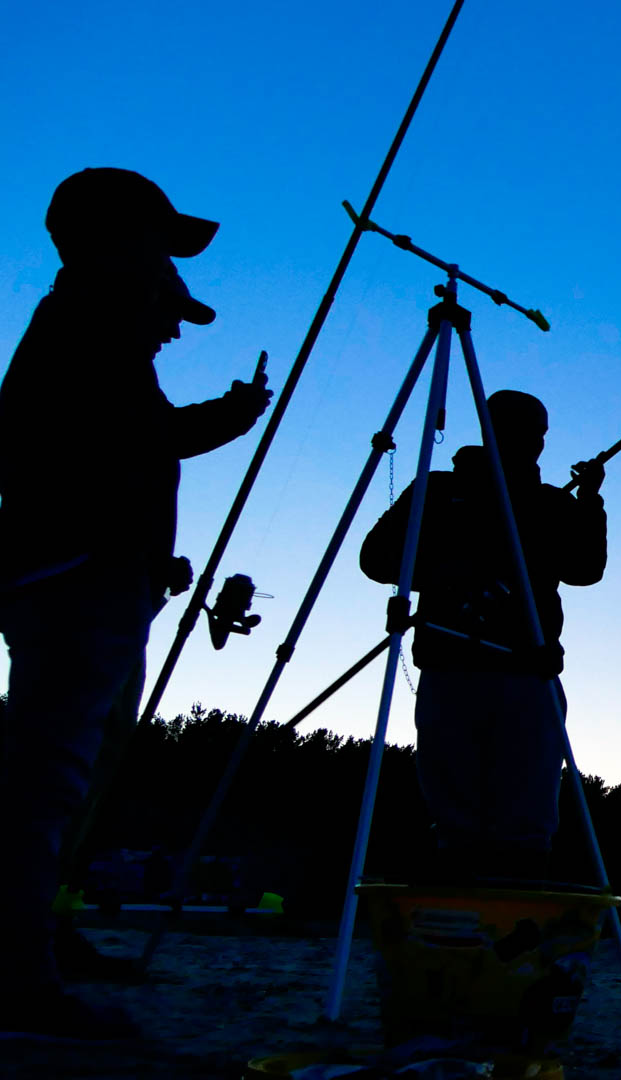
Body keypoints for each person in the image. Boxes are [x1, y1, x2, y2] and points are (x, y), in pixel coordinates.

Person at [0, 167, 272, 1037]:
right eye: (168, 277)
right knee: (44, 775)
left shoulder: (92, 324)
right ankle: (15, 972)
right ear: (122, 243)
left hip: (96, 577)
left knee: (69, 770)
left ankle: (37, 934)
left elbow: (133, 442)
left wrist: (229, 415)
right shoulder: (101, 309)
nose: (175, 328)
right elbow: (110, 446)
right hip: (77, 581)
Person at [359, 390, 606, 880]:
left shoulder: (550, 503)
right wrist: (452, 567)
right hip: (454, 668)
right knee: (456, 804)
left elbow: (585, 568)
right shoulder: (436, 490)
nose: (533, 443)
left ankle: (511, 908)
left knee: (527, 808)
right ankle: (457, 905)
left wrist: (588, 501)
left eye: (538, 434)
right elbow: (377, 558)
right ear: (491, 428)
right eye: (524, 431)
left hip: (527, 672)